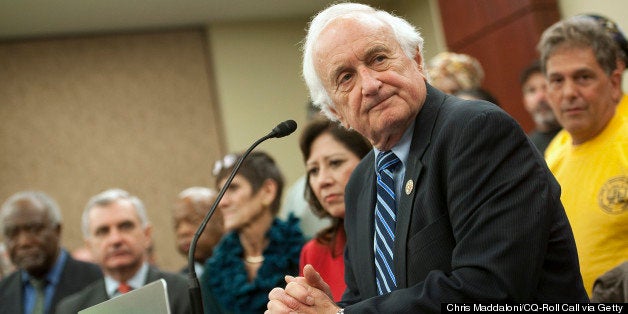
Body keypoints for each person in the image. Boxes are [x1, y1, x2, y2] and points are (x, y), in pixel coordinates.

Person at [266, 3, 588, 313]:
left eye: (379, 59)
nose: (371, 84)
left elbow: (491, 288)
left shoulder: (476, 131)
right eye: (346, 77)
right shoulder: (361, 182)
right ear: (336, 112)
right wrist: (325, 308)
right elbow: (370, 296)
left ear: (417, 61)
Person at [539, 15, 628, 296]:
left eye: (583, 77)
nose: (569, 93)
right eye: (556, 80)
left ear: (614, 82)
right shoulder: (552, 152)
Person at [55, 189, 190, 314]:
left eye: (125, 226)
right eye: (103, 231)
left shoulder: (186, 291)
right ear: (89, 246)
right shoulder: (72, 309)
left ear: (147, 235)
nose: (115, 240)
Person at [201, 151, 305, 313]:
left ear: (268, 191)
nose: (222, 202)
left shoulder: (304, 254)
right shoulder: (212, 273)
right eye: (220, 192)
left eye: (233, 188)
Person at [298, 118, 371, 302]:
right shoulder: (314, 251)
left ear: (369, 161)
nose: (323, 180)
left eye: (335, 163)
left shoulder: (397, 234)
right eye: (314, 170)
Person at [0, 191, 102, 314]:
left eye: (34, 229)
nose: (24, 242)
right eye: (12, 232)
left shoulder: (97, 279)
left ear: (57, 230)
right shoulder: (3, 290)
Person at [172, 186, 224, 276]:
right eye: (177, 225)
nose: (182, 231)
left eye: (193, 221)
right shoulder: (179, 284)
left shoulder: (247, 270)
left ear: (221, 221)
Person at [519, 60, 562, 153]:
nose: (540, 97)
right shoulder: (525, 150)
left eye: (545, 87)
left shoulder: (578, 136)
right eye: (532, 90)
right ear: (525, 101)